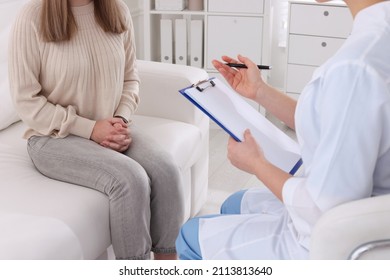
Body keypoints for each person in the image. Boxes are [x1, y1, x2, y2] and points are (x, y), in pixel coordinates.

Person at [176, 0, 390, 260]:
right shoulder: (375, 39)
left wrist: (257, 164)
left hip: (331, 241)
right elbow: (333, 121)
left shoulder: (356, 66)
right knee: (234, 203)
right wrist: (261, 92)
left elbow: (324, 210)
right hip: (363, 210)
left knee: (190, 236)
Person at [9, 0, 184, 260]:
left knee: (166, 168)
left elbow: (130, 78)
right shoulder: (32, 16)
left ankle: (168, 264)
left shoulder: (117, 10)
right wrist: (91, 129)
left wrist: (120, 119)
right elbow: (26, 101)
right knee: (131, 179)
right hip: (54, 137)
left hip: (112, 125)